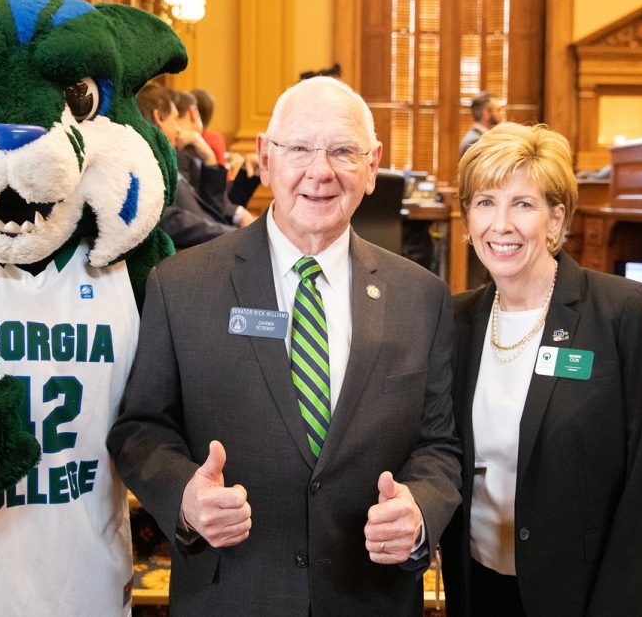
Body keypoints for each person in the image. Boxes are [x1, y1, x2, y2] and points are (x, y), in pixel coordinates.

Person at [107, 76, 462, 615]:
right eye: (299, 149)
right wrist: (185, 496)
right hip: (232, 592)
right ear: (267, 159)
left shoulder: (422, 297)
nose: (320, 171)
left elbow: (440, 445)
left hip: (370, 597)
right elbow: (140, 430)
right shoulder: (180, 285)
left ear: (372, 167)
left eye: (344, 151)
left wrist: (419, 511)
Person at [440, 122, 642, 616]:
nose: (500, 224)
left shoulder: (624, 312)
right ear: (466, 220)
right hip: (479, 585)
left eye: (522, 204)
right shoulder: (456, 320)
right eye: (485, 202)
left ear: (556, 219)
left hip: (587, 592)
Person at [135, 83, 240, 248]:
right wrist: (234, 235)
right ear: (159, 118)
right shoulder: (145, 161)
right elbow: (171, 221)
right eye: (175, 118)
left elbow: (211, 209)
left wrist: (209, 159)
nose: (179, 128)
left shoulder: (164, 158)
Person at [458, 92, 503, 158]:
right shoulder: (475, 141)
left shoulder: (480, 138)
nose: (501, 115)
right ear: (486, 114)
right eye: (498, 110)